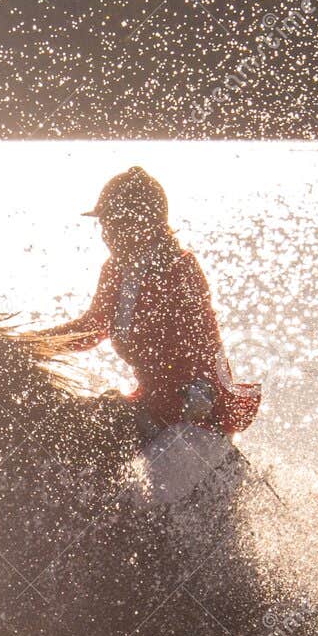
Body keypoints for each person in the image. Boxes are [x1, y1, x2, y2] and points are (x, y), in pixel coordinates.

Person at [37, 167, 261, 508]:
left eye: (113, 224)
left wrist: (191, 396)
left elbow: (202, 344)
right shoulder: (115, 269)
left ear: (143, 223)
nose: (106, 235)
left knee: (144, 499)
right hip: (149, 402)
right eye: (103, 225)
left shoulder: (180, 269)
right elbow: (92, 327)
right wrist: (30, 346)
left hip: (194, 411)